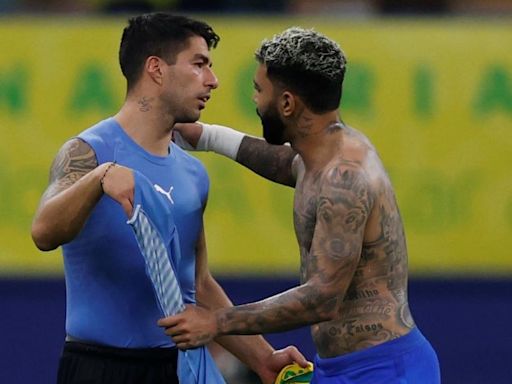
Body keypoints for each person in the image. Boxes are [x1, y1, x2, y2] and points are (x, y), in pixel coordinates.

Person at [31, 13, 306, 384]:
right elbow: (44, 232)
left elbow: (198, 284)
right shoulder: (87, 153)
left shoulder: (194, 174)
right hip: (97, 368)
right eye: (199, 65)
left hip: (173, 369)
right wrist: (100, 179)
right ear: (156, 70)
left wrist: (263, 358)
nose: (213, 80)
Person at [165, 27, 441, 383]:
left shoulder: (346, 178)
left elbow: (322, 298)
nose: (254, 100)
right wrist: (206, 136)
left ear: (287, 104)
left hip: (385, 372)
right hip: (342, 367)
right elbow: (285, 163)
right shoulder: (320, 155)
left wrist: (216, 321)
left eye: (259, 90)